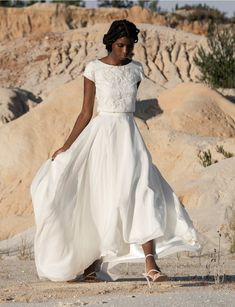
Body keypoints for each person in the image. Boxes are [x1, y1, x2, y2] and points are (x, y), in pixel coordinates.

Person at [31, 19, 201, 287]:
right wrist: (68, 145)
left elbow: (128, 105)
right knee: (101, 198)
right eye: (121, 46)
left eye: (130, 47)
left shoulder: (136, 70)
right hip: (102, 137)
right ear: (111, 43)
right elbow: (86, 113)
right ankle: (91, 264)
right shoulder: (93, 69)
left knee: (143, 191)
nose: (125, 51)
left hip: (129, 137)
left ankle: (151, 265)